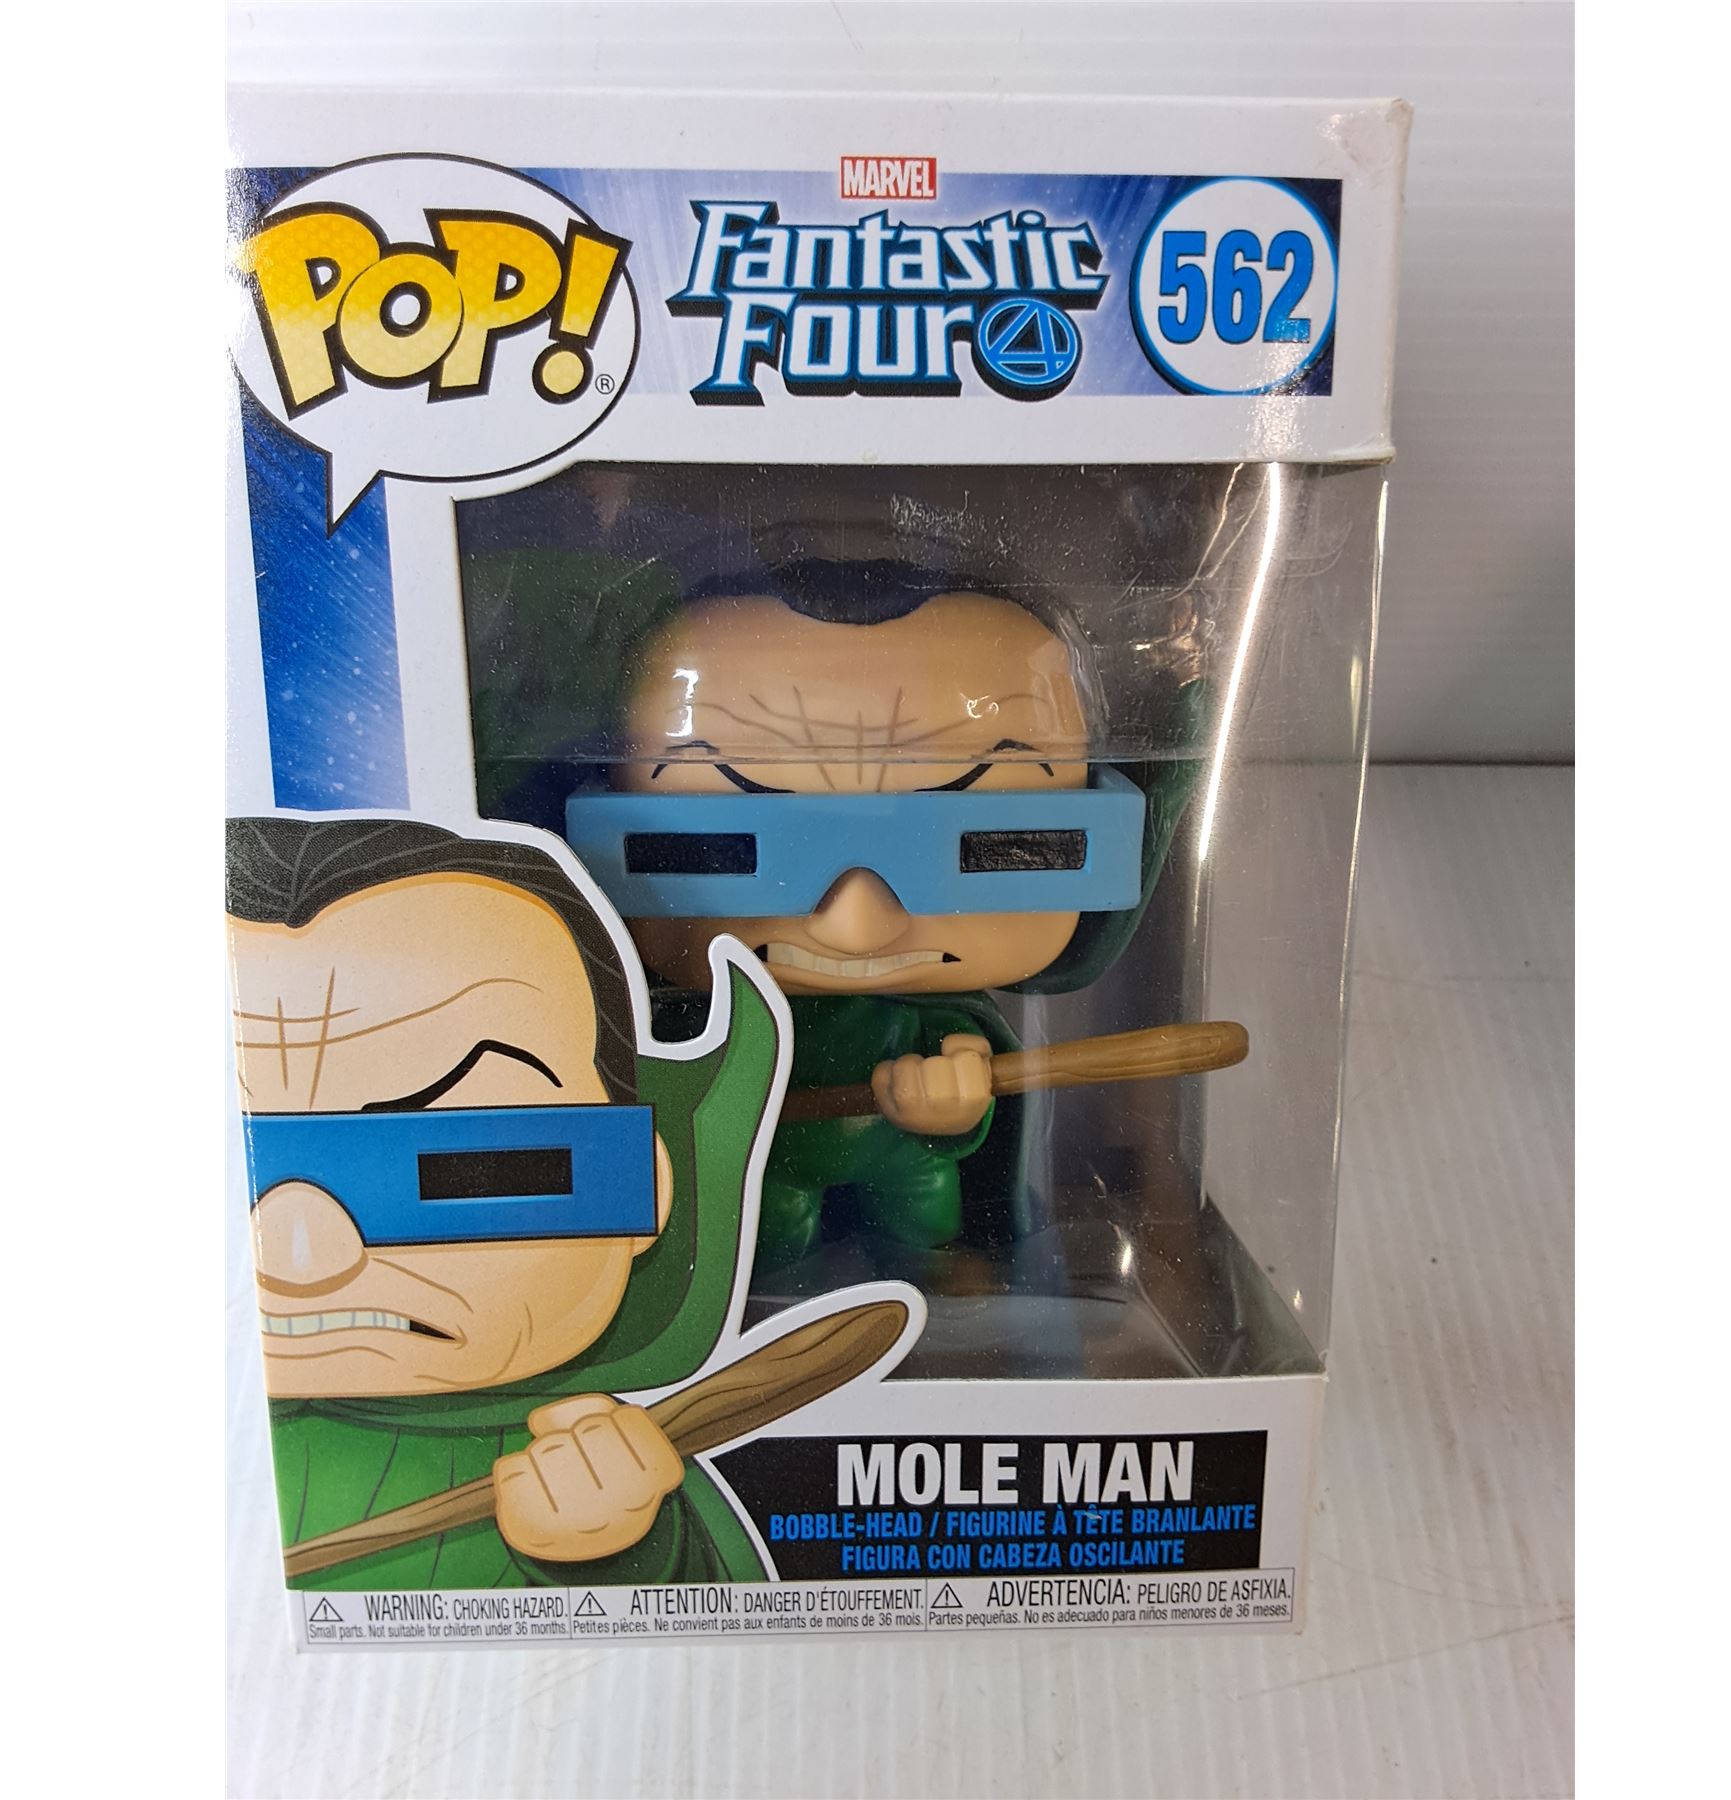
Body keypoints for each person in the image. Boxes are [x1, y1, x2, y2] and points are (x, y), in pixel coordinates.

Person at [227, 816, 780, 1589]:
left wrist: (620, 1547)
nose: (299, 1262)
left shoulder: (585, 1455)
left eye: (467, 1170)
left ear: (645, 1182)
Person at [568, 561, 1147, 1268]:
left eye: (984, 844)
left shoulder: (931, 1015)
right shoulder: (700, 1019)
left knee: (931, 1239)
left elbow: (970, 1073)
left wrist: (958, 1100)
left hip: (907, 1164)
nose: (857, 928)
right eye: (728, 847)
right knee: (763, 1247)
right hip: (770, 1169)